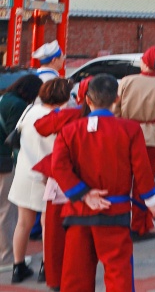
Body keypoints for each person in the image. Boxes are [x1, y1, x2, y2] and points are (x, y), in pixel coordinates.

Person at [50, 74, 155, 291]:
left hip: (78, 212)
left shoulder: (69, 130)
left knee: (76, 277)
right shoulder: (130, 129)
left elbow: (59, 167)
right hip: (115, 212)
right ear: (117, 99)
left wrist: (84, 194)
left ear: (87, 100)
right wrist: (151, 203)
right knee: (118, 274)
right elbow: (142, 170)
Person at [8, 78, 71, 283]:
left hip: (25, 173)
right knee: (48, 226)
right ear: (63, 97)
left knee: (23, 223)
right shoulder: (60, 118)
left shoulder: (29, 111)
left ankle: (18, 267)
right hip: (48, 177)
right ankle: (47, 266)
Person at [33, 78, 91, 289]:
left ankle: (56, 279)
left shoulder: (70, 114)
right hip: (95, 182)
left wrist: (58, 113)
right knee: (86, 238)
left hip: (63, 180)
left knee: (56, 234)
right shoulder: (118, 120)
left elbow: (41, 127)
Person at [114, 45, 155, 240]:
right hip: (150, 136)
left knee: (121, 180)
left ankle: (118, 221)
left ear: (144, 61)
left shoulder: (126, 81)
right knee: (144, 183)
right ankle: (139, 225)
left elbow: (115, 109)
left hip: (124, 133)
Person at [0, 75, 42, 275]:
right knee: (7, 212)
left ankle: (9, 256)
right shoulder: (17, 105)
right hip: (5, 162)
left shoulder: (4, 98)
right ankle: (6, 257)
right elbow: (15, 137)